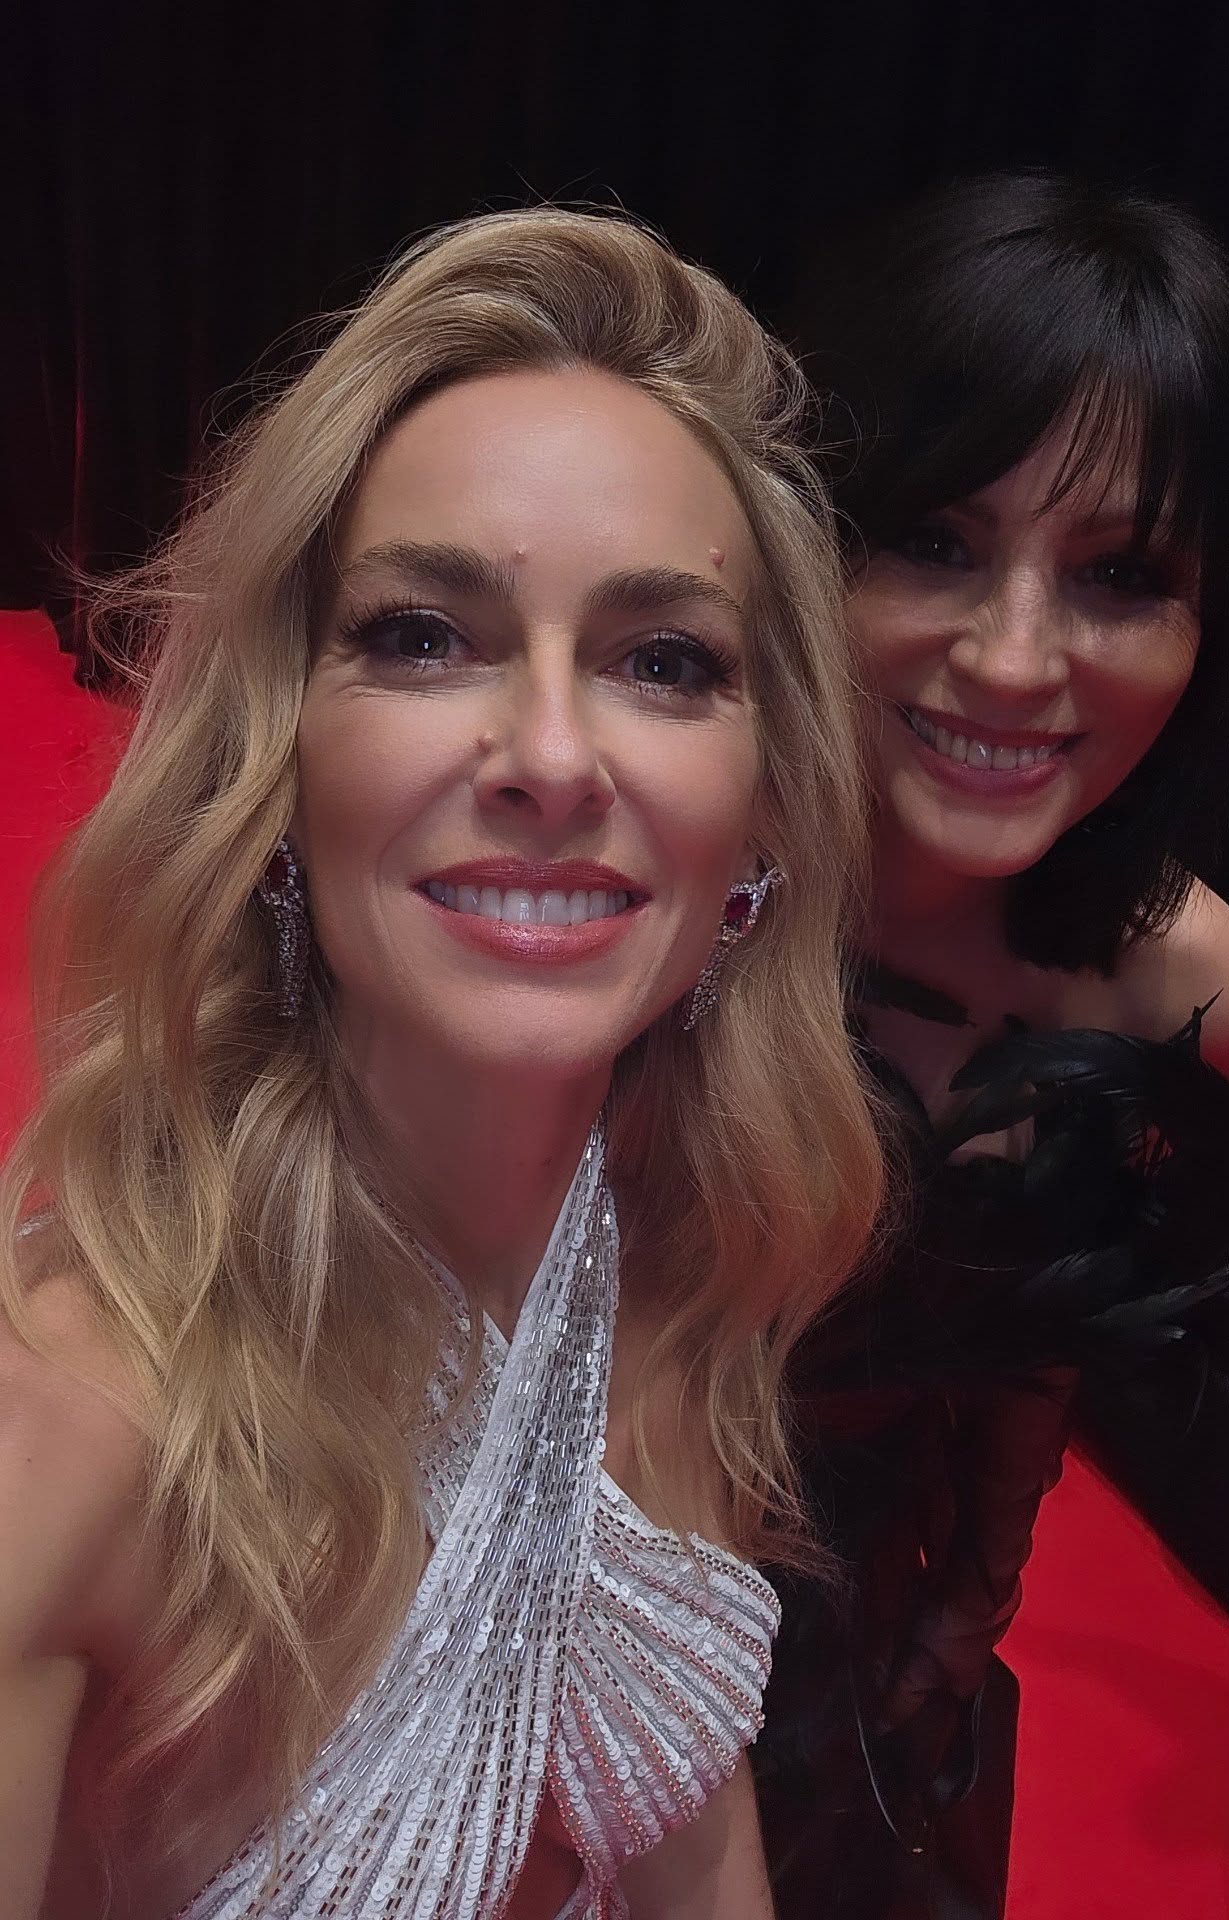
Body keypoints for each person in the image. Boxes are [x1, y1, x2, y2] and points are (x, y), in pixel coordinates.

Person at [0, 208, 888, 1919]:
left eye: (664, 661)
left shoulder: (677, 1266)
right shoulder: (66, 1437)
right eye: (422, 635)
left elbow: (694, 1843)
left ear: (765, 815)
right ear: (277, 760)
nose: (551, 752)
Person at [756, 170, 1229, 1917]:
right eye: (935, 539)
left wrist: (973, 1590)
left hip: (839, 1615)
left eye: (1122, 573)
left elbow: (1044, 1324)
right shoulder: (650, 871)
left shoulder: (1179, 987)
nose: (1014, 657)